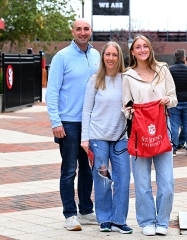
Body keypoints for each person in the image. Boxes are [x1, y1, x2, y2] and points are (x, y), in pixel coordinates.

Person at [45, 18, 100, 231]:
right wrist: (55, 122)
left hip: (91, 123)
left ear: (91, 31)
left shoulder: (97, 56)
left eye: (86, 29)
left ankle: (85, 210)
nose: (83, 32)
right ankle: (69, 214)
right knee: (69, 171)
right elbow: (52, 92)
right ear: (73, 31)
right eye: (79, 29)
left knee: (88, 170)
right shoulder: (62, 57)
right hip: (68, 123)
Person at [122, 35, 177, 236]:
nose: (142, 49)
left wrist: (166, 100)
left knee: (167, 182)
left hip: (162, 129)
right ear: (133, 52)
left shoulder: (163, 70)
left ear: (150, 49)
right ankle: (146, 220)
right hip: (139, 132)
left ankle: (162, 220)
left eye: (145, 46)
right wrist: (133, 112)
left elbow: (174, 98)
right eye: (138, 47)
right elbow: (125, 106)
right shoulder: (127, 76)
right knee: (142, 181)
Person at [80, 42, 133, 234]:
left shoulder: (126, 79)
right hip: (97, 138)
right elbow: (86, 111)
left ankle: (119, 219)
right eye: (107, 54)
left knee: (123, 179)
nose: (111, 58)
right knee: (102, 179)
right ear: (103, 57)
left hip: (121, 138)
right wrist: (84, 138)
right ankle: (104, 219)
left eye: (115, 55)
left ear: (120, 57)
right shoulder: (95, 80)